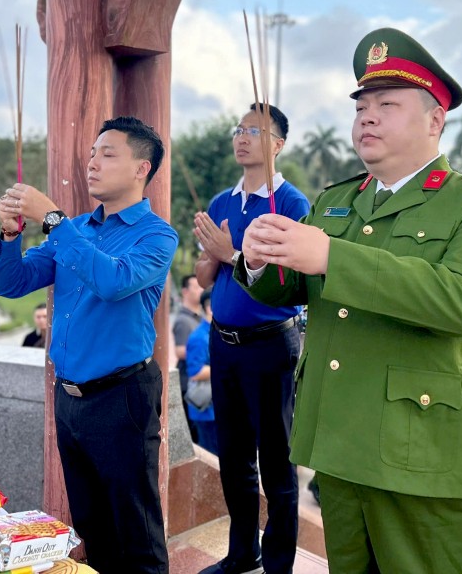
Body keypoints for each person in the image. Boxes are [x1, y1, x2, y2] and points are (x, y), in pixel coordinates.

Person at [237, 27, 462, 573]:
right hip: (338, 444)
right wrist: (257, 259)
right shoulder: (337, 200)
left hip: (422, 455)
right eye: (362, 106)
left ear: (435, 120)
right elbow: (296, 287)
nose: (367, 117)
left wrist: (331, 257)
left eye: (387, 105)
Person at [0, 115, 177, 574]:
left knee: (137, 530)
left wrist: (52, 218)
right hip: (70, 398)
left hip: (122, 397)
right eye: (92, 153)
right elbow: (13, 282)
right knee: (93, 527)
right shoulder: (76, 228)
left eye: (107, 154)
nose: (92, 162)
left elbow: (113, 281)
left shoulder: (156, 236)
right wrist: (11, 234)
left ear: (141, 169)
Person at [193, 102, 310, 574]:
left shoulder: (293, 205)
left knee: (277, 461)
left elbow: (288, 278)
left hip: (270, 344)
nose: (242, 137)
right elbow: (204, 278)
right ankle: (243, 553)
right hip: (224, 344)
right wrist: (210, 255)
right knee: (233, 455)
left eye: (255, 131)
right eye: (239, 129)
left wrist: (230, 251)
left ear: (277, 144)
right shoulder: (223, 202)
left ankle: (279, 563)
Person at [185, 289, 218, 455]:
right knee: (213, 459)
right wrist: (227, 367)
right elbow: (195, 371)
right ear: (209, 308)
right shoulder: (199, 337)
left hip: (215, 409)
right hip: (206, 411)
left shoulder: (213, 332)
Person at [173, 274, 204, 438]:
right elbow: (179, 350)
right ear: (185, 291)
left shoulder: (198, 318)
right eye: (196, 287)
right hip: (189, 384)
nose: (201, 290)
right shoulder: (184, 321)